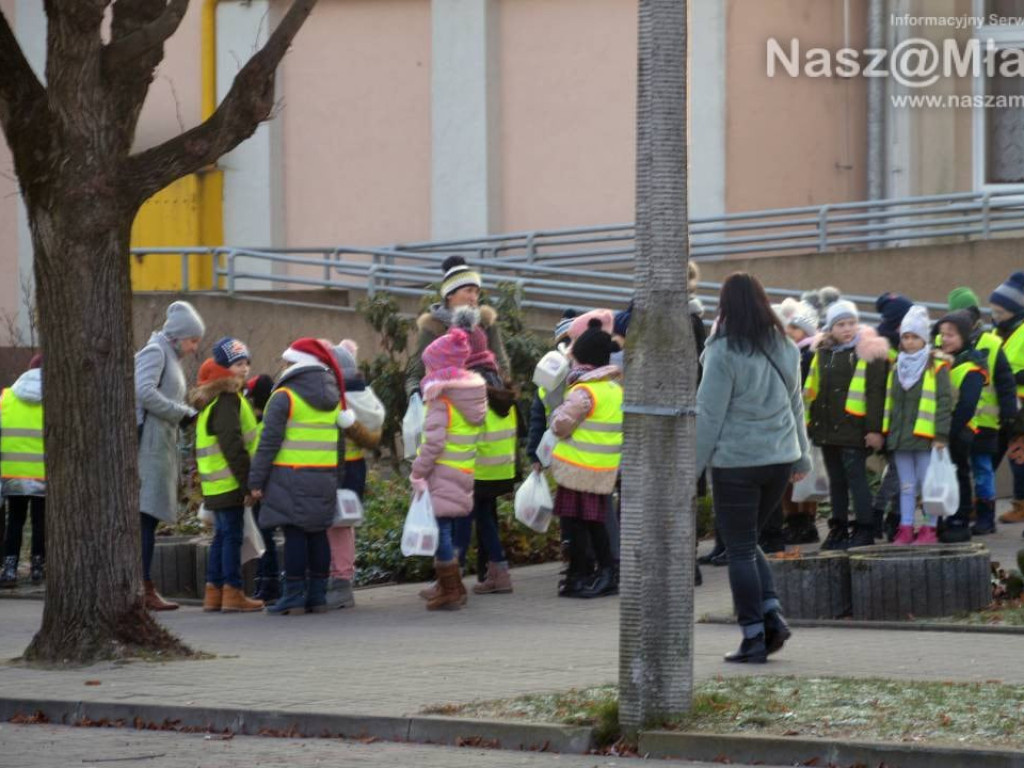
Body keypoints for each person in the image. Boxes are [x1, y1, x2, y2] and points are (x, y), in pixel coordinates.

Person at [696, 272, 810, 664]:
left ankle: (753, 635)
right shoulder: (785, 346)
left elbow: (708, 416)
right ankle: (772, 617)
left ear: (725, 307)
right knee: (750, 542)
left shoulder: (723, 352)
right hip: (779, 459)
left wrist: (691, 469)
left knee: (740, 548)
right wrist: (803, 455)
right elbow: (797, 404)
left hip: (737, 463)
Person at [249, 338, 352, 615]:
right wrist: (337, 477)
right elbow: (339, 443)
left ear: (294, 364)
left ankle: (293, 596)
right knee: (318, 533)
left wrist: (256, 481)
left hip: (289, 477)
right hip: (324, 475)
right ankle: (317, 596)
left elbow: (268, 442)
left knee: (294, 533)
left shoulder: (285, 397)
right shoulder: (334, 397)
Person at [409, 327, 487, 611]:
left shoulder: (442, 398)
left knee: (440, 527)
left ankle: (451, 588)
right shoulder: (470, 396)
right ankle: (448, 585)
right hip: (463, 468)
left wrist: (418, 470)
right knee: (451, 527)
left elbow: (434, 442)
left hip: (441, 470)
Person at [135, 300, 205, 611]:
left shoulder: (167, 354)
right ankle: (143, 586)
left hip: (159, 445)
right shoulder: (155, 352)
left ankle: (143, 584)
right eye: (193, 340)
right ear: (178, 336)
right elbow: (143, 391)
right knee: (145, 518)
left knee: (147, 519)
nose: (194, 347)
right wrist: (183, 413)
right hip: (150, 447)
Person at [804, 300, 889, 550]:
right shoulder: (824, 353)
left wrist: (874, 430)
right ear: (830, 328)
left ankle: (864, 527)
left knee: (857, 479)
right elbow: (814, 390)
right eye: (841, 324)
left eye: (851, 323)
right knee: (837, 481)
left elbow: (875, 393)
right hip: (828, 429)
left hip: (855, 428)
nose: (847, 328)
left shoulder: (868, 351)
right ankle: (838, 527)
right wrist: (811, 424)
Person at [550, 316, 623, 600]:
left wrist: (556, 414)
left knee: (578, 525)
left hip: (577, 468)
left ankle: (584, 574)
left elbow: (562, 424)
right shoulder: (614, 389)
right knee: (595, 523)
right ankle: (602, 573)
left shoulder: (584, 391)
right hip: (602, 468)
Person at [190, 338, 263, 613]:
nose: (243, 369)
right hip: (229, 482)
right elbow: (233, 445)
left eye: (246, 363)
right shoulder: (228, 399)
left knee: (222, 537)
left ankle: (214, 591)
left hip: (215, 483)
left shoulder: (212, 399)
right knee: (231, 536)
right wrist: (248, 484)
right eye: (237, 364)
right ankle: (232, 591)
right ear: (223, 367)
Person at [947, 287, 1019, 534]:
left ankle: (986, 517)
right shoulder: (942, 340)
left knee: (982, 469)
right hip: (956, 420)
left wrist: (1009, 414)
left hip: (986, 421)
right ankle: (960, 513)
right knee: (958, 469)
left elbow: (1005, 381)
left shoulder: (991, 342)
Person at [880, 306, 952, 545]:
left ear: (925, 339)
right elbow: (891, 404)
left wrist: (940, 435)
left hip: (925, 437)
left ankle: (929, 528)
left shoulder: (937, 366)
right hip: (901, 438)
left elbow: (943, 402)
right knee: (906, 486)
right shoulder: (896, 366)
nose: (910, 342)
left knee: (927, 486)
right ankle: (906, 527)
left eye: (915, 337)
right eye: (906, 337)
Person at [326, 340, 384, 610]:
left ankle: (339, 581)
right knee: (344, 524)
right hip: (356, 465)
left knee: (335, 526)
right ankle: (342, 579)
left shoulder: (335, 395)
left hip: (336, 467)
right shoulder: (365, 393)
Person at [935, 311, 989, 543]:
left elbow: (967, 405)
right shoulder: (939, 359)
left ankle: (960, 520)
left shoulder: (973, 365)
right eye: (942, 334)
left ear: (965, 337)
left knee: (958, 474)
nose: (945, 339)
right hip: (938, 431)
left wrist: (947, 433)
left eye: (951, 335)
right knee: (940, 478)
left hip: (960, 430)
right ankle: (940, 520)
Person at [0, 355, 46, 589]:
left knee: (15, 522)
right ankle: (38, 567)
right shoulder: (55, 399)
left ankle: (10, 568)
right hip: (43, 475)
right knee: (40, 522)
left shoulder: (6, 397)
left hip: (13, 472)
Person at [778, 301, 821, 546]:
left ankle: (803, 520)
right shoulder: (791, 352)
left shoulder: (807, 355)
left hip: (802, 422)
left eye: (794, 327)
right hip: (795, 421)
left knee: (800, 475)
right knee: (795, 476)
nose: (789, 331)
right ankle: (797, 521)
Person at [872, 292, 914, 541]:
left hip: (899, 421)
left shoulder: (895, 346)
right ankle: (881, 515)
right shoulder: (887, 351)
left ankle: (893, 520)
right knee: (899, 472)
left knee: (902, 473)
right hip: (892, 422)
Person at [987, 273, 1024, 526]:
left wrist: (1015, 376)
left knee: (1018, 456)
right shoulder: (997, 331)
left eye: (1000, 311)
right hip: (997, 404)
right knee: (989, 455)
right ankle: (981, 503)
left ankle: (1020, 504)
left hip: (1020, 404)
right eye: (994, 310)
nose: (995, 315)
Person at [243, 373, 280, 603]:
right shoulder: (270, 420)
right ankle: (265, 583)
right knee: (265, 536)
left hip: (263, 487)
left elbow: (259, 456)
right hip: (269, 484)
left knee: (265, 537)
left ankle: (269, 584)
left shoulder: (261, 423)